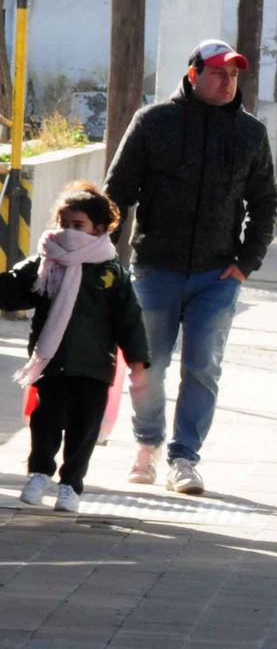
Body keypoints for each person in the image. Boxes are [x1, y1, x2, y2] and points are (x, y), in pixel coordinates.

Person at [105, 39, 277, 496]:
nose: (227, 82)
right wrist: (101, 257)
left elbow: (265, 203)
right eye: (219, 72)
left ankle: (184, 458)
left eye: (234, 74)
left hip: (217, 276)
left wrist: (246, 263)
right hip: (155, 270)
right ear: (193, 74)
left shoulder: (250, 134)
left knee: (202, 366)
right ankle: (147, 445)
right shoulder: (153, 123)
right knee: (148, 366)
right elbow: (117, 192)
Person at [4, 182, 150, 513]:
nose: (69, 232)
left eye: (78, 226)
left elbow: (128, 316)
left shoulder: (110, 271)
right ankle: (39, 473)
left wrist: (139, 357)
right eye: (64, 224)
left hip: (94, 366)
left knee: (84, 430)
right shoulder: (45, 261)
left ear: (99, 228)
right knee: (46, 422)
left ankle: (71, 485)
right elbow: (14, 288)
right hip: (52, 363)